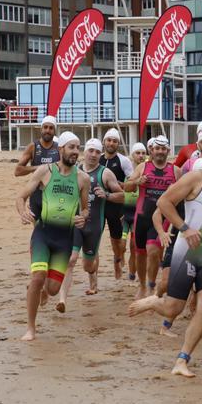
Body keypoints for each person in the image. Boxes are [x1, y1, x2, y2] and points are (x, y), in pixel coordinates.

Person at [128, 139, 202, 377]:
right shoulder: (196, 178)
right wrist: (184, 227)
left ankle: (183, 359)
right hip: (186, 252)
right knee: (173, 308)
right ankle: (153, 302)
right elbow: (164, 202)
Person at [16, 132, 90, 341]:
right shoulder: (44, 171)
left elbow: (85, 209)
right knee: (38, 277)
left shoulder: (82, 178)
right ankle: (31, 328)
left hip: (64, 240)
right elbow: (21, 196)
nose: (76, 152)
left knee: (53, 288)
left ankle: (43, 290)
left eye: (78, 148)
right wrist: (22, 211)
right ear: (61, 149)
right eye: (71, 147)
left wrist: (83, 217)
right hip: (43, 233)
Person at [57, 138, 125, 310]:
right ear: (84, 152)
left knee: (88, 266)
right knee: (71, 260)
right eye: (90, 151)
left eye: (97, 151)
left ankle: (93, 270)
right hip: (76, 224)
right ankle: (62, 300)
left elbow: (122, 196)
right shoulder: (74, 170)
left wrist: (107, 195)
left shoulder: (105, 174)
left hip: (94, 226)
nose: (94, 155)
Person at [125, 135, 181, 299]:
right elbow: (126, 187)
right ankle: (142, 285)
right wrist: (137, 182)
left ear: (168, 151)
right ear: (152, 150)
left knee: (153, 251)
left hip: (162, 218)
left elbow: (184, 194)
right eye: (157, 148)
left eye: (163, 149)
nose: (160, 152)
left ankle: (151, 285)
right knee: (140, 253)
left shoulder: (175, 171)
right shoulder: (142, 167)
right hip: (142, 216)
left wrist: (174, 191)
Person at [100, 129, 135, 279]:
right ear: (104, 142)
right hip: (100, 205)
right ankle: (117, 264)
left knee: (118, 241)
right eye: (109, 140)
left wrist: (122, 185)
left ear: (118, 144)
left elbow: (133, 181)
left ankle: (118, 257)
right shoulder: (98, 158)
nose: (111, 143)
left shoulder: (123, 160)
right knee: (97, 237)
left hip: (117, 205)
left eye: (114, 141)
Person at [14, 116, 60, 219]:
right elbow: (17, 171)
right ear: (41, 129)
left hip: (55, 194)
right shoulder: (33, 147)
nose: (48, 130)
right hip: (36, 194)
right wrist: (38, 168)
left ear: (54, 131)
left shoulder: (59, 148)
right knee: (37, 228)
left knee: (55, 227)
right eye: (45, 127)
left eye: (51, 128)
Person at [123, 142, 148, 280]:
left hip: (140, 213)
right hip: (125, 212)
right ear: (132, 155)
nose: (141, 156)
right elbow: (123, 188)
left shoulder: (148, 169)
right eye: (138, 153)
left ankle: (133, 274)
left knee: (134, 246)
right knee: (122, 245)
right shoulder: (126, 171)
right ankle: (120, 259)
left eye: (143, 153)